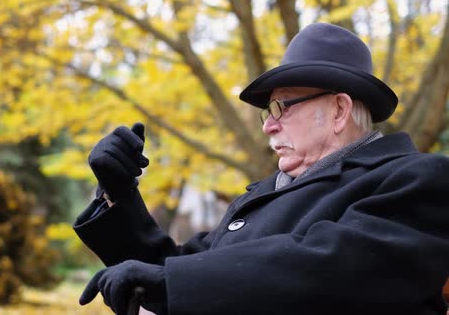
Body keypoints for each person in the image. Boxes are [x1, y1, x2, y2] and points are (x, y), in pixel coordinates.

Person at [73, 23, 449, 315]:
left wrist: (172, 282)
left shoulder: (417, 180)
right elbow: (174, 272)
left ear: (339, 110)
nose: (269, 125)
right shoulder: (259, 198)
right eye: (268, 112)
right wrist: (119, 195)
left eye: (283, 107)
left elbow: (336, 271)